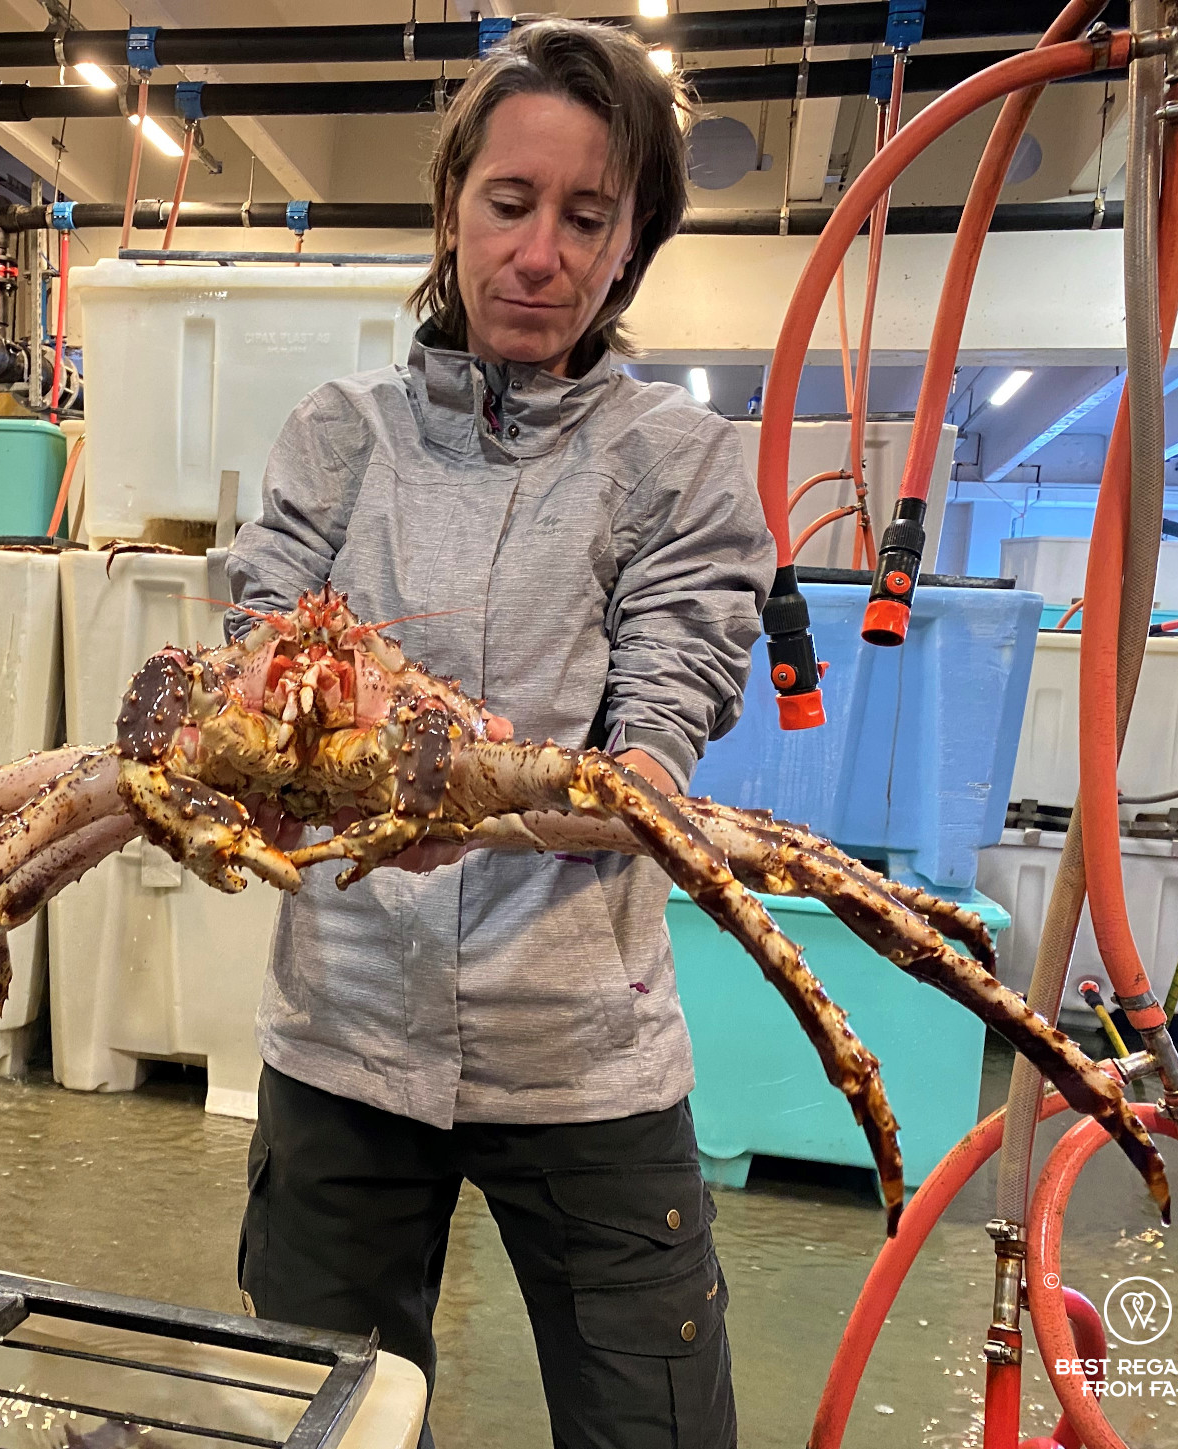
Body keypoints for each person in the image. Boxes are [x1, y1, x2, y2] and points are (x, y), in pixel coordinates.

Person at [223, 17, 773, 1449]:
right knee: (318, 1427)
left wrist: (613, 782)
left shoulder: (677, 461)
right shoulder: (339, 436)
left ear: (632, 238)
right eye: (509, 204)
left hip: (582, 1056)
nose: (539, 255)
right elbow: (258, 627)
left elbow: (658, 724)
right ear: (451, 202)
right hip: (340, 1038)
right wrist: (254, 745)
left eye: (586, 216)